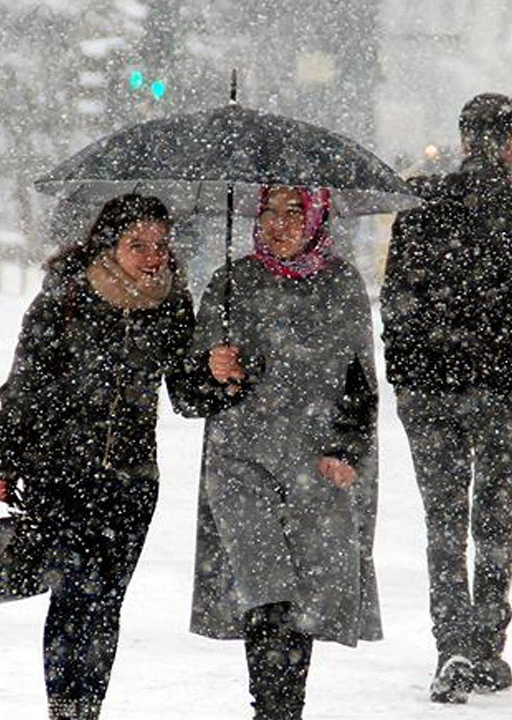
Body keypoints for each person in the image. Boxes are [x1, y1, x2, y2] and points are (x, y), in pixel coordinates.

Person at [0, 194, 221, 720]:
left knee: (106, 602)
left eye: (160, 244)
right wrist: (1, 463)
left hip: (132, 480)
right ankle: (65, 710)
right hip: (60, 473)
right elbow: (26, 388)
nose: (153, 256)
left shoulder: (173, 302)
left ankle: (88, 710)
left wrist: (216, 375)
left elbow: (185, 395)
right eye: (138, 245)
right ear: (108, 246)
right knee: (71, 597)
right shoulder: (66, 296)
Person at [379, 93, 512, 703]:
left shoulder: (421, 202)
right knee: (493, 513)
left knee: (442, 518)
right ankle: (489, 642)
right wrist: (510, 312)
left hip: (430, 384)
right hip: (503, 383)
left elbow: (396, 298)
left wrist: (409, 367)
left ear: (464, 137)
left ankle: (453, 644)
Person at [190, 185, 381, 720]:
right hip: (239, 462)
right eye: (269, 211)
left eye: (293, 212)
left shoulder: (341, 284)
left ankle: (285, 707)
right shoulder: (231, 283)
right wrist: (212, 371)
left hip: (314, 461)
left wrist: (345, 449)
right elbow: (186, 392)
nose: (279, 224)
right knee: (263, 589)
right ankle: (270, 708)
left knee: (303, 597)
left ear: (317, 217)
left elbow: (360, 383)